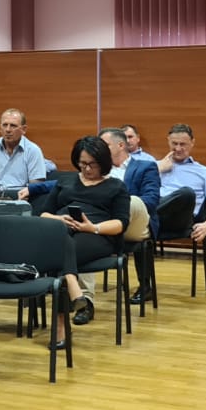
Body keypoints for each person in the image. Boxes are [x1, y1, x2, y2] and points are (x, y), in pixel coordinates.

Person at [40, 136, 130, 336]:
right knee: (62, 241)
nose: (87, 169)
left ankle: (61, 325)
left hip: (97, 236)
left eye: (93, 164)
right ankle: (73, 288)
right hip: (63, 230)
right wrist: (59, 219)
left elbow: (121, 223)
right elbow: (44, 214)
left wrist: (93, 227)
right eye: (83, 164)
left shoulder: (116, 186)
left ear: (103, 163)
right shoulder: (65, 181)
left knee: (59, 254)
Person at [99, 127, 161, 305]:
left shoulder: (145, 167)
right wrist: (32, 188)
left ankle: (145, 286)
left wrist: (120, 207)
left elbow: (151, 200)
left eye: (105, 145)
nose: (100, 149)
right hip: (105, 219)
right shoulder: (97, 169)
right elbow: (68, 183)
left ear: (120, 145)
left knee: (132, 201)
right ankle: (78, 293)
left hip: (136, 220)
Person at [155, 123, 206, 246]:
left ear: (192, 143)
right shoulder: (155, 166)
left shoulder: (204, 172)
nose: (178, 148)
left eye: (183, 144)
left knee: (186, 193)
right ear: (168, 141)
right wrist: (157, 170)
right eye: (174, 144)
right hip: (156, 217)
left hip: (181, 219)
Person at [0, 109, 47, 200]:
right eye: (5, 125)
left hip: (20, 202)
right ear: (0, 128)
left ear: (23, 129)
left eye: (13, 126)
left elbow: (35, 189)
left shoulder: (33, 151)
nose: (8, 130)